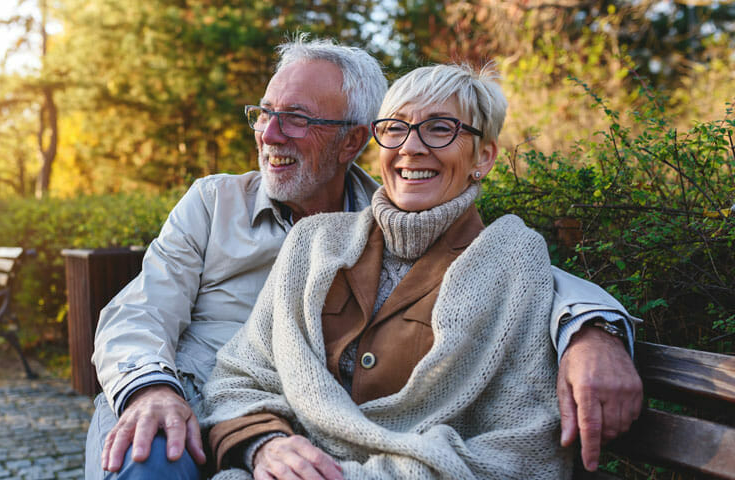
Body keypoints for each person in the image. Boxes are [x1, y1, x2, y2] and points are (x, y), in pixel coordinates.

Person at [86, 37, 642, 479]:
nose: (269, 133)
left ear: (353, 143)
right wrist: (156, 393)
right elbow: (141, 314)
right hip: (181, 402)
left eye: (296, 118)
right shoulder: (224, 206)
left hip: (285, 443)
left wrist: (594, 329)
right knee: (145, 455)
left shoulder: (442, 235)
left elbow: (517, 273)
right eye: (265, 112)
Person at [202, 62, 583, 478]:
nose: (411, 147)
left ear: (484, 156)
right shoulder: (312, 243)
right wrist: (266, 446)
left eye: (440, 129)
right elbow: (239, 377)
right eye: (395, 128)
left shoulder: (513, 260)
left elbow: (523, 448)